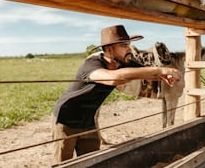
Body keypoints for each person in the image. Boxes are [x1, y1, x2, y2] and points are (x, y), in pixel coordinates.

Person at [52, 25, 182, 163]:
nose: (129, 49)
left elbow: (146, 72)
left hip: (88, 119)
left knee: (91, 162)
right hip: (66, 119)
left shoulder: (124, 63)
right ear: (109, 49)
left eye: (129, 45)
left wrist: (165, 73)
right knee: (63, 164)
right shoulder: (92, 64)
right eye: (123, 45)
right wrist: (159, 72)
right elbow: (113, 78)